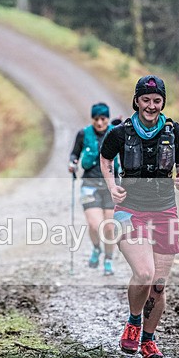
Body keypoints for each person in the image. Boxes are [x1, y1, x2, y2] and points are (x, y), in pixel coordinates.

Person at [100, 75, 179, 358]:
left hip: (165, 210)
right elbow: (105, 159)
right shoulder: (120, 132)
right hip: (131, 210)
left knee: (159, 284)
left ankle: (149, 341)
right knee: (144, 273)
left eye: (156, 100)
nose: (151, 106)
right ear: (136, 101)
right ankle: (133, 322)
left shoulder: (175, 131)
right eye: (146, 100)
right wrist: (112, 185)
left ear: (162, 102)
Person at [69, 102, 118, 275]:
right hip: (90, 184)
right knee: (94, 225)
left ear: (107, 119)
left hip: (112, 186)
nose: (99, 123)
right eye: (96, 119)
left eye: (103, 119)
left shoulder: (115, 132)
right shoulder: (83, 134)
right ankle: (97, 248)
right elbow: (74, 154)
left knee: (109, 227)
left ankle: (108, 260)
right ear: (92, 119)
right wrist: (72, 164)